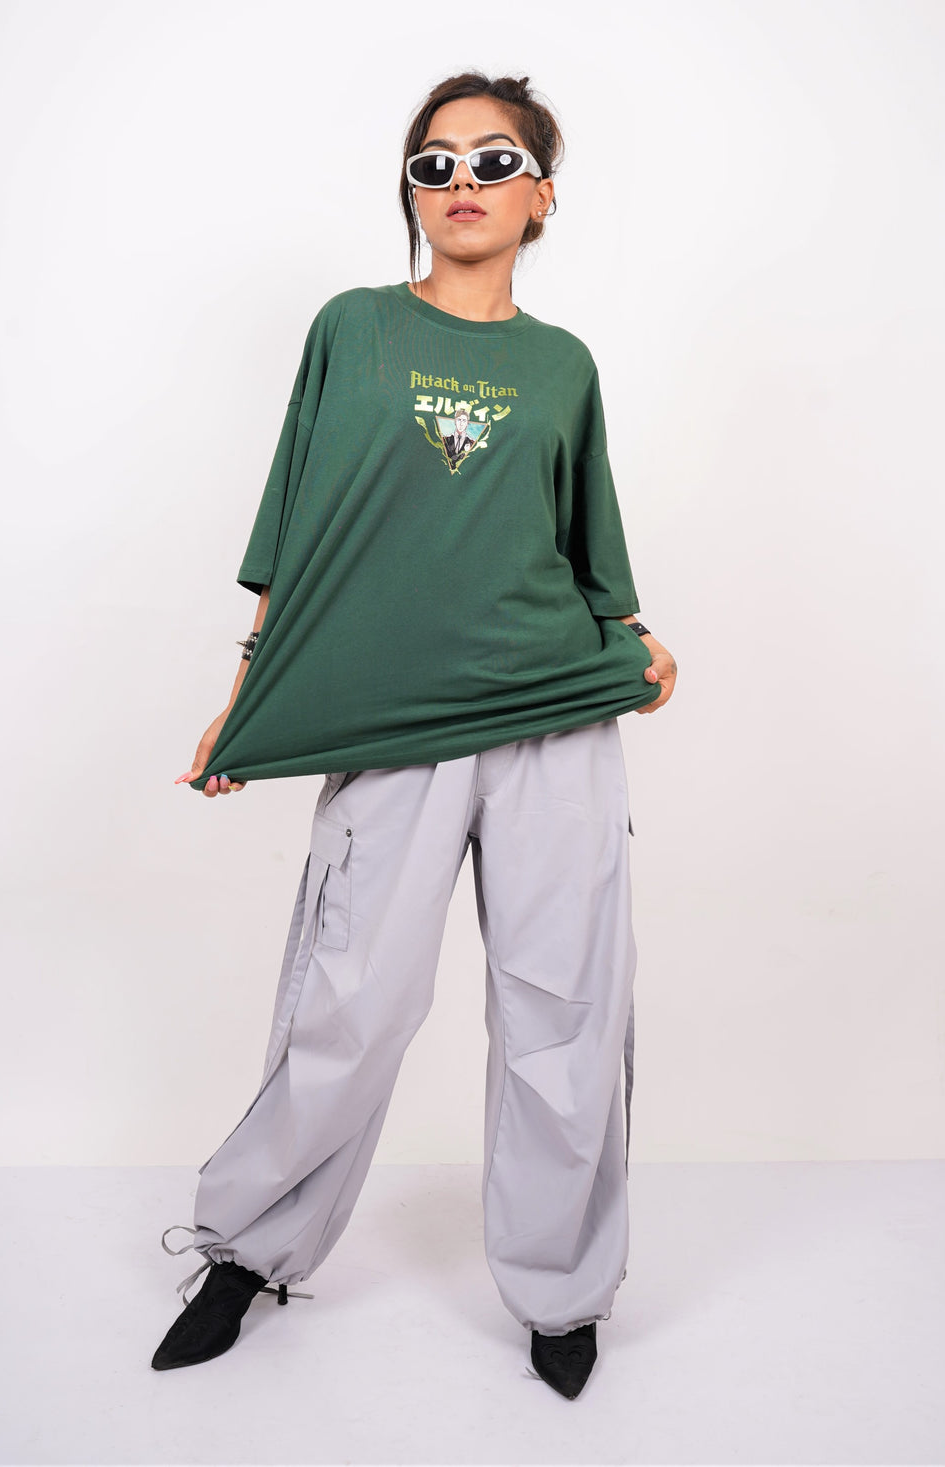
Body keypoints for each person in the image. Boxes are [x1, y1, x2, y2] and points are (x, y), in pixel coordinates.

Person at [151, 70, 677, 1401]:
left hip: (552, 714)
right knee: (350, 1001)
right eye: (433, 164)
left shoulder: (564, 366)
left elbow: (587, 548)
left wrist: (634, 642)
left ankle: (562, 1291)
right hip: (394, 721)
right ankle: (249, 1250)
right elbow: (298, 526)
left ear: (542, 197)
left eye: (494, 161)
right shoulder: (355, 330)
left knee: (562, 1008)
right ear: (411, 192)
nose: (461, 184)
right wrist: (255, 687)